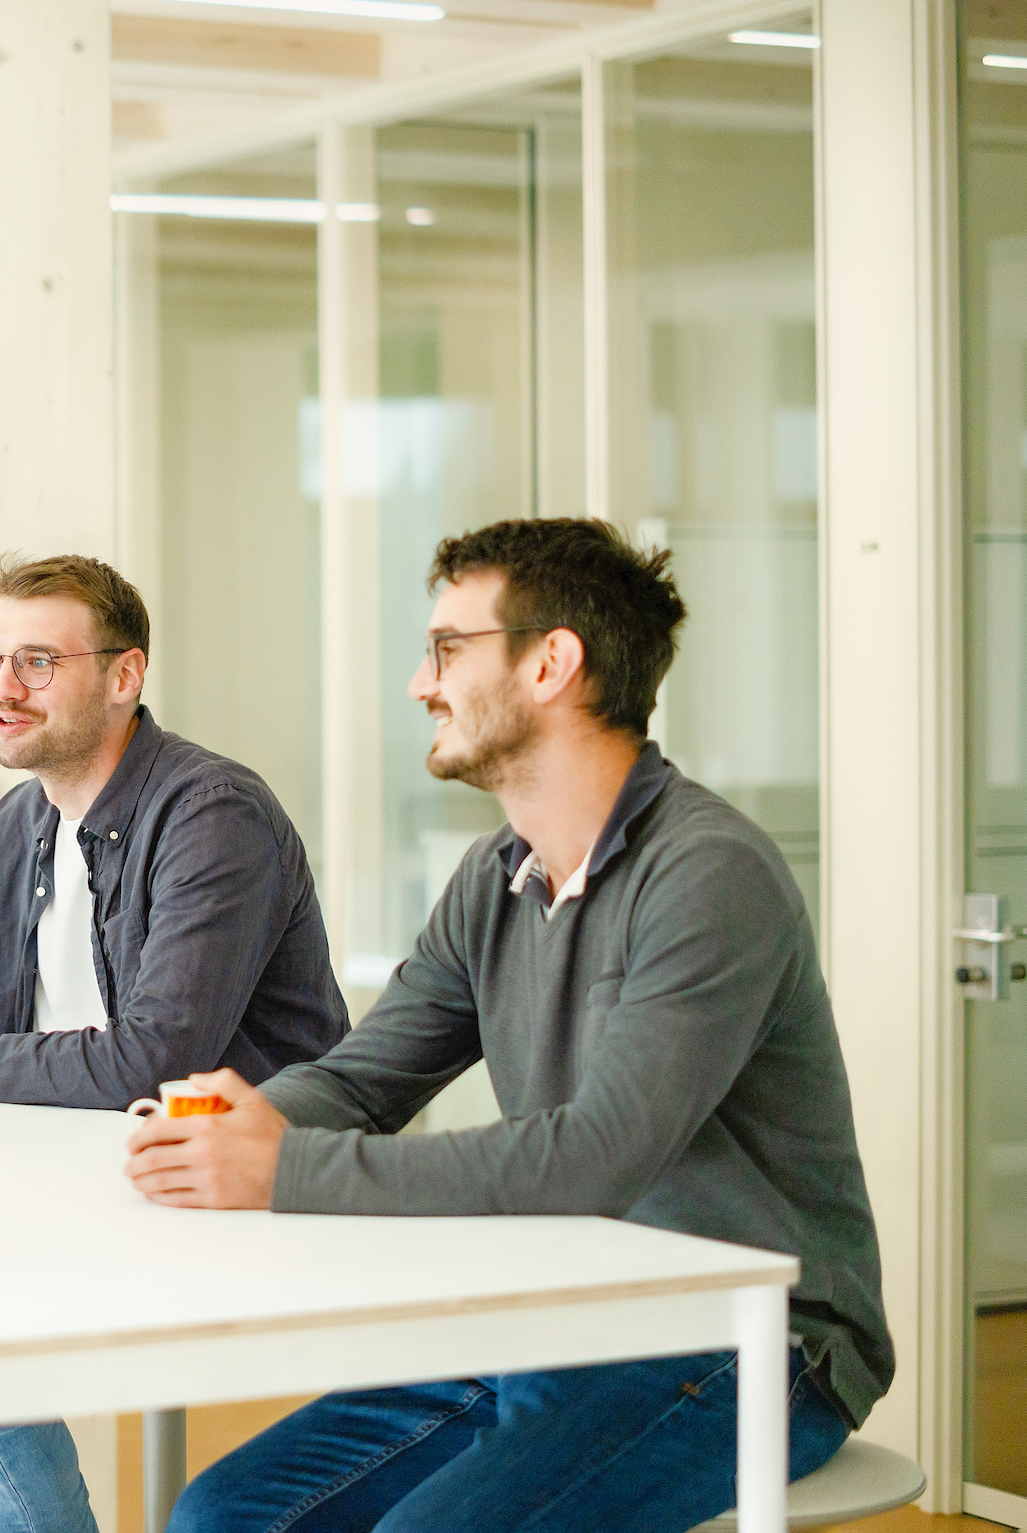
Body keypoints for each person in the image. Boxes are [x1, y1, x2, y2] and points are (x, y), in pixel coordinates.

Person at [126, 518, 893, 1533]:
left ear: (551, 664)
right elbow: (363, 1078)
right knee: (226, 1511)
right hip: (569, 1308)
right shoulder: (497, 874)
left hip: (751, 1338)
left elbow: (595, 1157)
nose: (421, 682)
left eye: (448, 648)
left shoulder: (711, 874)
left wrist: (281, 1169)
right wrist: (234, 1124)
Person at [0, 552, 350, 1533]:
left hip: (214, 1187)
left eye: (37, 662)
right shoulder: (19, 824)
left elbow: (155, 1060)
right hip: (66, 1167)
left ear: (125, 676)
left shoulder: (213, 815)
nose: (3, 689)